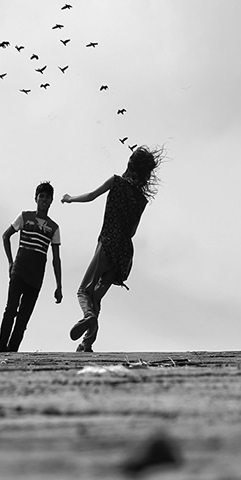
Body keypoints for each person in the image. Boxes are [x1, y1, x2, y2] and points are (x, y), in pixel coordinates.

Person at [61, 146, 163, 352]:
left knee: (83, 292)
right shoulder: (141, 200)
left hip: (108, 242)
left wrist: (70, 198)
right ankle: (87, 343)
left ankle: (88, 318)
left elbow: (91, 196)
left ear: (130, 165)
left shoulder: (116, 182)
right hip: (125, 252)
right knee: (96, 298)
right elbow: (133, 231)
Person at [0, 182, 62, 352]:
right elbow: (6, 236)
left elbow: (56, 259)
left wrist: (59, 286)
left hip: (36, 277)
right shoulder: (25, 217)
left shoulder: (53, 228)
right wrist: (10, 263)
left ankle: (12, 351)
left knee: (23, 318)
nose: (44, 200)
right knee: (11, 309)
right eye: (41, 196)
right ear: (36, 198)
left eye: (47, 197)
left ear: (51, 201)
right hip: (19, 271)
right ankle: (1, 348)